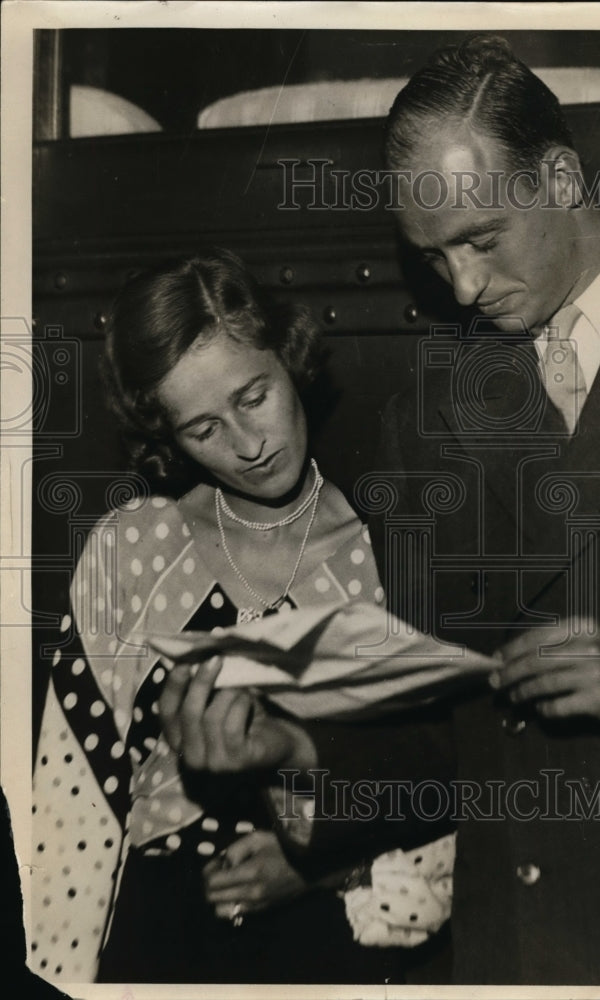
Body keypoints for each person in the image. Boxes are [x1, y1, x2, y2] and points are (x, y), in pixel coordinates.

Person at [270, 36, 600, 985]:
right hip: (520, 954)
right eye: (432, 256)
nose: (462, 288)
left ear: (558, 178)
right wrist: (299, 747)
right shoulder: (424, 421)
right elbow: (439, 717)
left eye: (481, 240)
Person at [29, 249, 451, 985]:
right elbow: (76, 807)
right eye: (203, 429)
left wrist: (328, 868)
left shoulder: (385, 548)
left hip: (336, 934)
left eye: (253, 396)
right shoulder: (133, 545)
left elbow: (438, 782)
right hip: (160, 938)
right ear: (167, 436)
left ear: (288, 359)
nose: (247, 445)